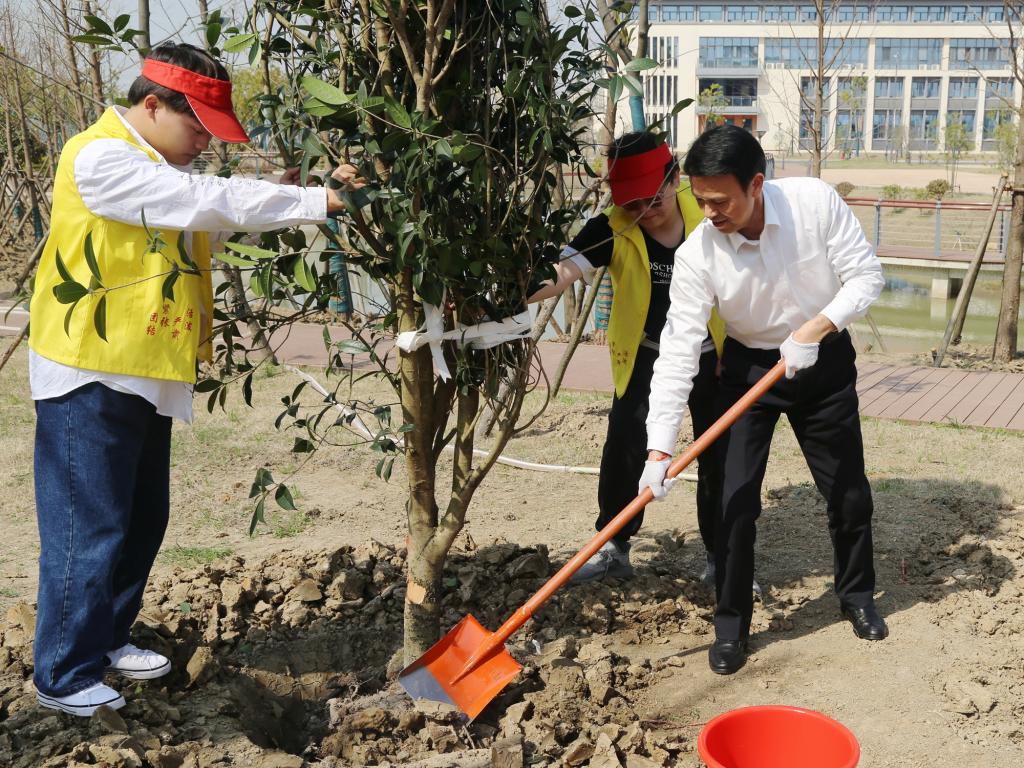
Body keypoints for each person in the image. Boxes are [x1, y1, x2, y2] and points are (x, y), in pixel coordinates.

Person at [28, 42, 364, 716]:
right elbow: (207, 201)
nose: (205, 147)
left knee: (141, 519)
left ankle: (107, 639)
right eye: (198, 130)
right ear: (150, 106)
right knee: (87, 528)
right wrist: (314, 200)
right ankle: (62, 674)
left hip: (143, 369)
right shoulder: (101, 159)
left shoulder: (151, 159)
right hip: (90, 372)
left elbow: (208, 200)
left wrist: (305, 186)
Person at [642, 125, 887, 676]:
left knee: (847, 493)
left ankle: (856, 596)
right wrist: (659, 449)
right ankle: (731, 626)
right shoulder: (697, 254)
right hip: (750, 370)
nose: (708, 212)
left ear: (756, 184)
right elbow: (679, 349)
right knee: (734, 503)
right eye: (699, 199)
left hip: (821, 359)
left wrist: (814, 329)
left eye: (720, 199)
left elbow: (866, 276)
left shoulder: (813, 203)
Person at [529, 131, 726, 584]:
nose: (643, 213)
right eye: (632, 204)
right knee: (624, 446)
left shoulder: (711, 215)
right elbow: (563, 272)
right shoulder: (615, 224)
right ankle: (614, 546)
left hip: (716, 358)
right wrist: (500, 300)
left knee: (721, 455)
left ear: (674, 178)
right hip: (647, 356)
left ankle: (722, 558)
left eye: (652, 201)